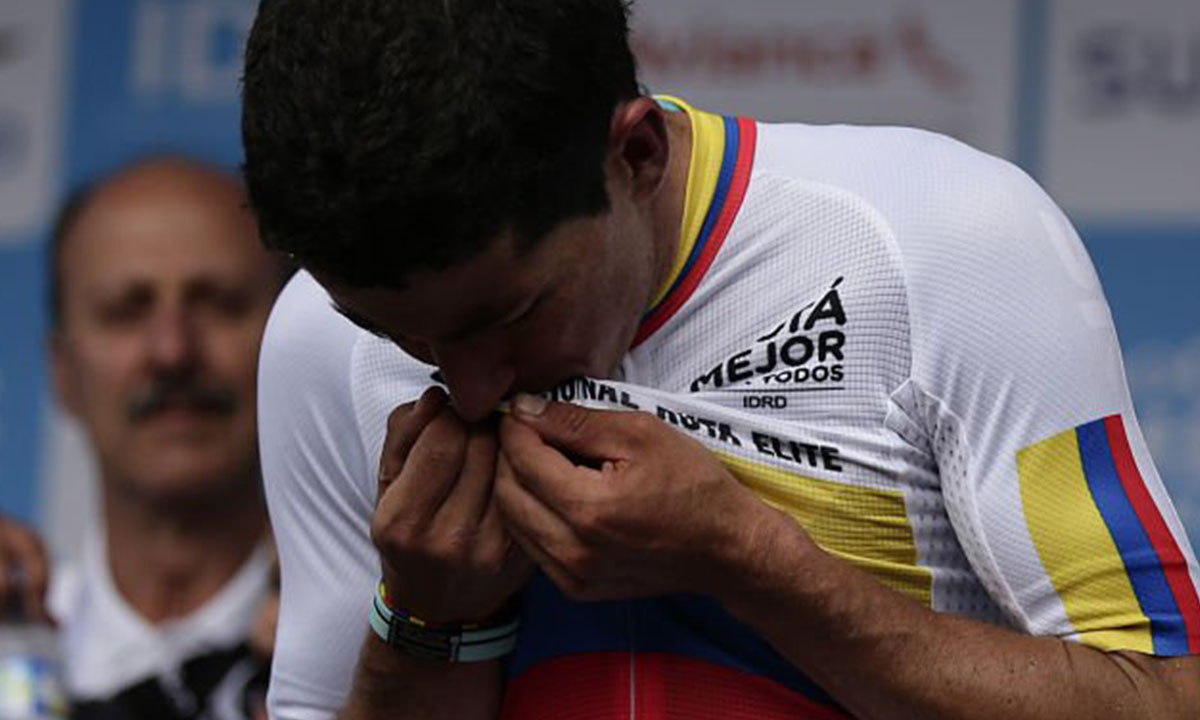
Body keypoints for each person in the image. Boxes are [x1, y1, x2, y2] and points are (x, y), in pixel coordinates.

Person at [240, 2, 1200, 719]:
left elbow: (1167, 697)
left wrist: (751, 563)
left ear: (638, 155)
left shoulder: (936, 241)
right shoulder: (318, 340)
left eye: (510, 315)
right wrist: (425, 623)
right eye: (396, 336)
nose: (471, 384)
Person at [0, 156, 286, 720]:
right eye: (125, 311)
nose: (172, 351)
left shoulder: (380, 653)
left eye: (219, 303)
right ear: (61, 369)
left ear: (290, 341)